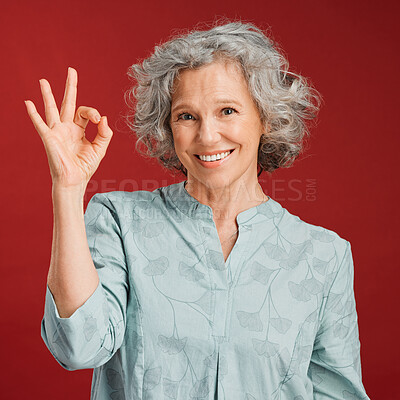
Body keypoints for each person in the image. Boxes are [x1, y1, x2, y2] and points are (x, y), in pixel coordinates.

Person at [26, 21, 370, 400]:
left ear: (266, 119)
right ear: (169, 128)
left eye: (227, 111)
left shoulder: (324, 255)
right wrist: (68, 188)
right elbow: (78, 347)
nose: (207, 136)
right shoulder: (119, 221)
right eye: (187, 116)